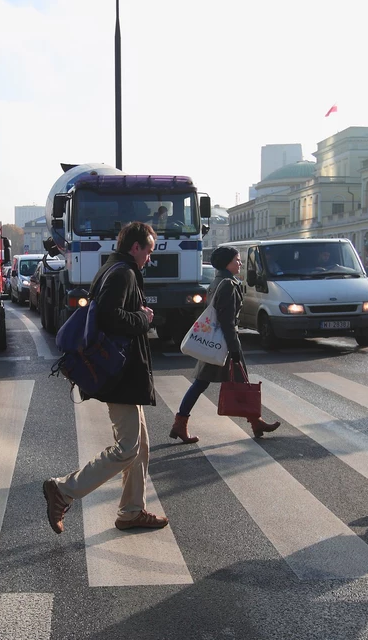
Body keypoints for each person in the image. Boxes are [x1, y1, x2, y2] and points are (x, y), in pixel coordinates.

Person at [43, 221, 165, 534]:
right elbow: (112, 316)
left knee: (141, 447)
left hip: (124, 373)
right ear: (135, 247)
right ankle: (64, 489)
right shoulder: (123, 273)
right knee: (126, 449)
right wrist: (143, 318)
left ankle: (131, 511)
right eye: (148, 251)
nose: (149, 258)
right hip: (120, 375)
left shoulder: (116, 268)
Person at [170, 246, 280, 444]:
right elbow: (227, 320)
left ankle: (256, 421)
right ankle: (180, 424)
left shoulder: (218, 281)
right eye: (237, 259)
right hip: (223, 343)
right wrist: (234, 347)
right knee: (218, 382)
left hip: (216, 342)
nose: (240, 263)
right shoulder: (228, 284)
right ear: (227, 263)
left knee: (213, 383)